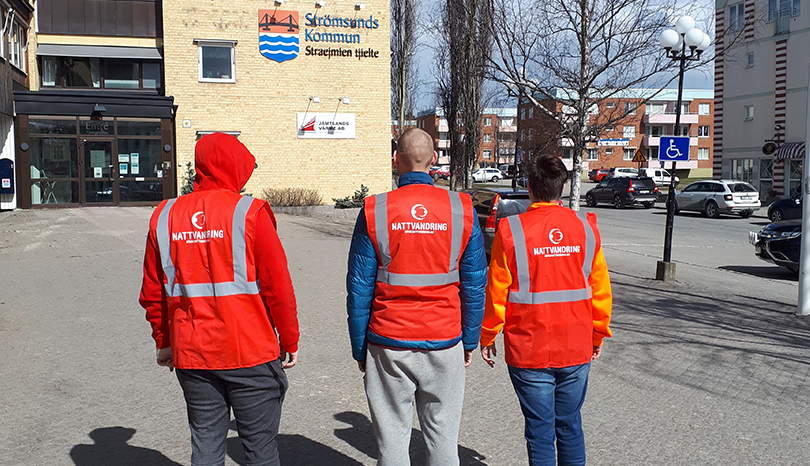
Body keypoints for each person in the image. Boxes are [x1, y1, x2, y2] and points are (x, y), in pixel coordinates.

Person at [139, 133, 299, 466]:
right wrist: (289, 338)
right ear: (235, 167)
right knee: (260, 449)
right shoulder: (249, 213)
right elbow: (277, 285)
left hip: (192, 353)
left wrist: (164, 341)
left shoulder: (164, 216)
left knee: (207, 446)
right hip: (249, 350)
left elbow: (154, 291)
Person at [346, 128, 487, 466]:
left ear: (396, 160)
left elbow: (359, 286)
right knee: (442, 440)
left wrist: (359, 347)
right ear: (434, 160)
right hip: (445, 338)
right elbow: (474, 283)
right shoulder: (461, 209)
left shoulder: (376, 210)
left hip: (388, 340)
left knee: (392, 440)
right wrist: (469, 340)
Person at [480, 154, 612, 466]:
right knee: (569, 425)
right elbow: (600, 289)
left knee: (539, 431)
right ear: (562, 188)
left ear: (530, 188)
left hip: (529, 349)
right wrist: (598, 335)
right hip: (575, 346)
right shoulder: (585, 227)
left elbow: (497, 289)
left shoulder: (511, 230)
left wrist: (487, 336)